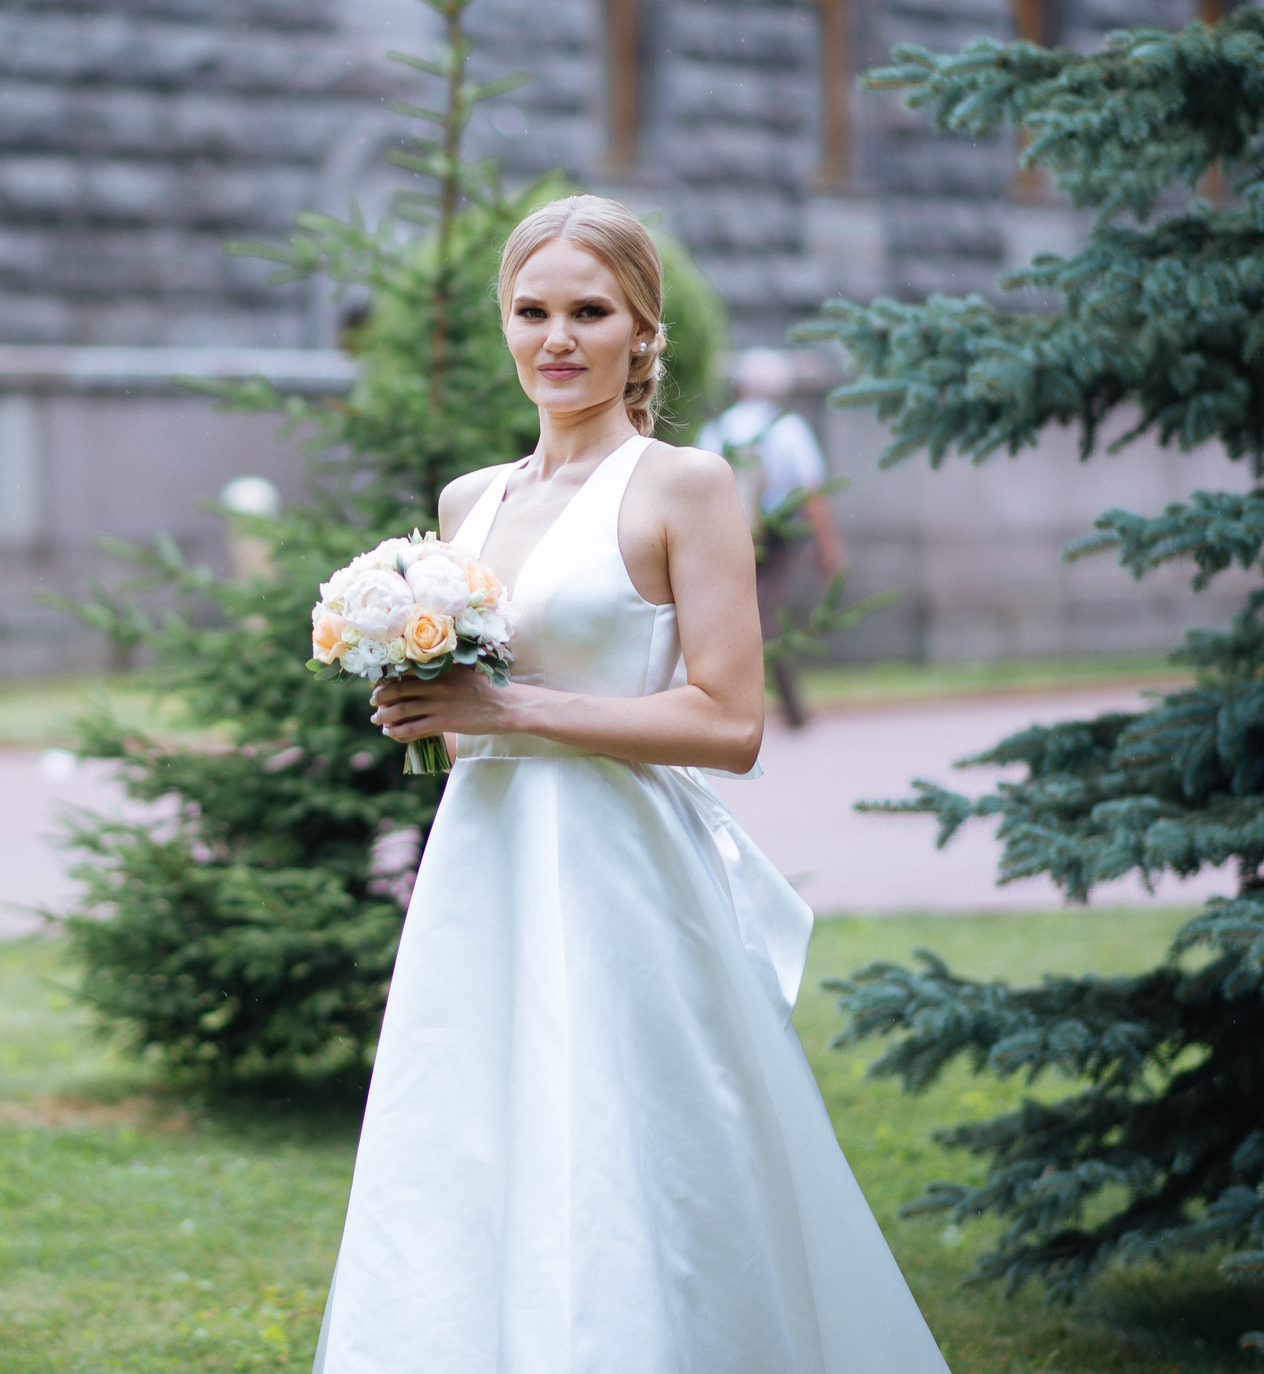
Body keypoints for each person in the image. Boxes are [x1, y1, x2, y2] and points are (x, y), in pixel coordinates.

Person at [311, 195, 948, 1373]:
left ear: (642, 331)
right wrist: (420, 700)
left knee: (622, 1142)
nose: (557, 337)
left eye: (589, 311)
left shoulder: (684, 485)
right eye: (532, 310)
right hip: (485, 862)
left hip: (620, 872)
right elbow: (473, 727)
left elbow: (729, 720)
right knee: (471, 1133)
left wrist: (505, 707)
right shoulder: (470, 503)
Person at [698, 347, 846, 726]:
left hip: (727, 534)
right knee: (765, 615)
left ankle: (746, 701)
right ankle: (772, 703)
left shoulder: (718, 429)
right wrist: (826, 544)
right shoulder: (787, 428)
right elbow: (810, 491)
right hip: (780, 535)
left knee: (743, 613)